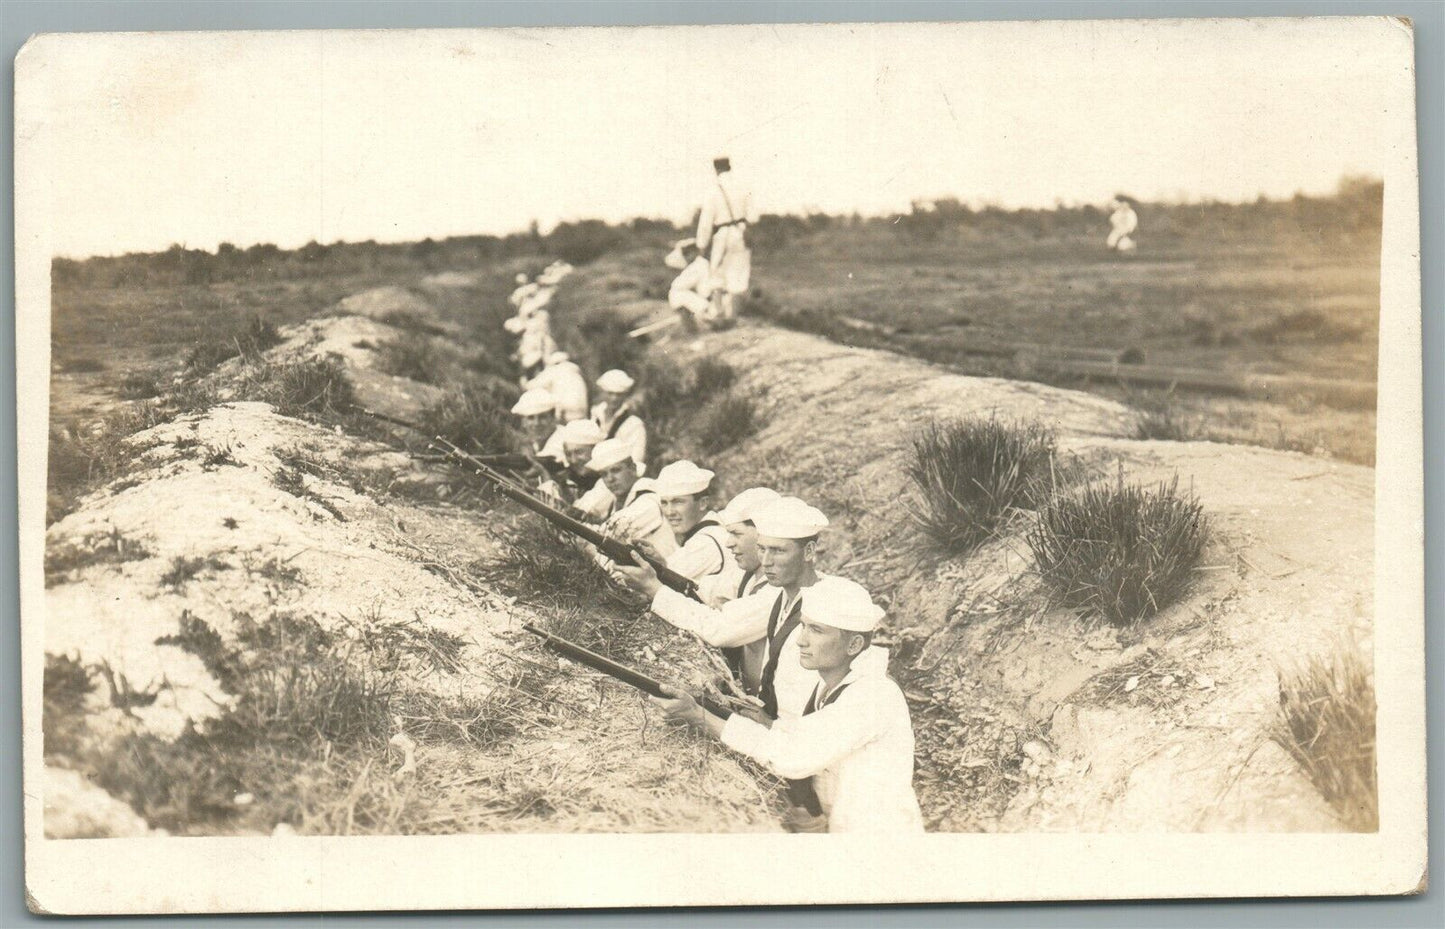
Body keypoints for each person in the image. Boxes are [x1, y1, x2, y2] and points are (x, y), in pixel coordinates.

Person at [652, 575, 924, 834]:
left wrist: (700, 717)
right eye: (803, 625)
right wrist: (769, 724)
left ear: (853, 644)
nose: (801, 640)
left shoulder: (871, 695)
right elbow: (811, 734)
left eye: (816, 630)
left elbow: (794, 756)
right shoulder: (836, 682)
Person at [614, 496, 828, 718]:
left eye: (778, 551)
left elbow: (719, 629)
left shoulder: (807, 600)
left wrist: (653, 588)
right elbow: (706, 591)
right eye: (762, 549)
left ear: (809, 551)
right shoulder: (779, 589)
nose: (766, 561)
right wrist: (661, 570)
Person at [585, 437, 677, 557]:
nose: (610, 479)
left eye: (616, 470)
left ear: (633, 469)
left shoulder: (648, 499)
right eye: (604, 474)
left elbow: (607, 536)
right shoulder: (618, 500)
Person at [647, 460, 734, 583]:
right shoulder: (710, 531)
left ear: (703, 503)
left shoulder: (706, 541)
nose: (669, 512)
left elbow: (657, 582)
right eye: (664, 503)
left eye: (678, 502)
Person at [696, 156, 759, 323]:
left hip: (722, 235)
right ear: (730, 167)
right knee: (738, 275)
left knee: (716, 273)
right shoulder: (743, 188)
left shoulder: (713, 191)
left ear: (716, 169)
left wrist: (701, 245)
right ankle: (733, 317)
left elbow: (705, 223)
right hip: (741, 233)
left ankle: (718, 314)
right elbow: (753, 216)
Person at [589, 369, 647, 471]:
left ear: (625, 395)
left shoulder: (633, 424)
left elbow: (637, 459)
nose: (614, 398)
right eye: (610, 393)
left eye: (619, 394)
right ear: (602, 392)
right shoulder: (595, 415)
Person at [510, 388, 566, 476]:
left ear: (553, 419)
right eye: (531, 418)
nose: (536, 423)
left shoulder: (562, 440)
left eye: (542, 417)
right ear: (523, 422)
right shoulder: (536, 444)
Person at [663, 238, 717, 329]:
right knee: (679, 294)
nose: (686, 257)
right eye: (685, 254)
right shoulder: (699, 264)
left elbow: (678, 285)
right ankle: (694, 326)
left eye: (688, 253)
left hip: (709, 303)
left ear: (695, 252)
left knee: (676, 293)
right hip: (707, 301)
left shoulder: (699, 264)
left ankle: (693, 328)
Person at [527, 351, 589, 423]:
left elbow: (535, 385)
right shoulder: (576, 372)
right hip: (582, 409)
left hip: (565, 409)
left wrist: (524, 382)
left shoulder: (555, 370)